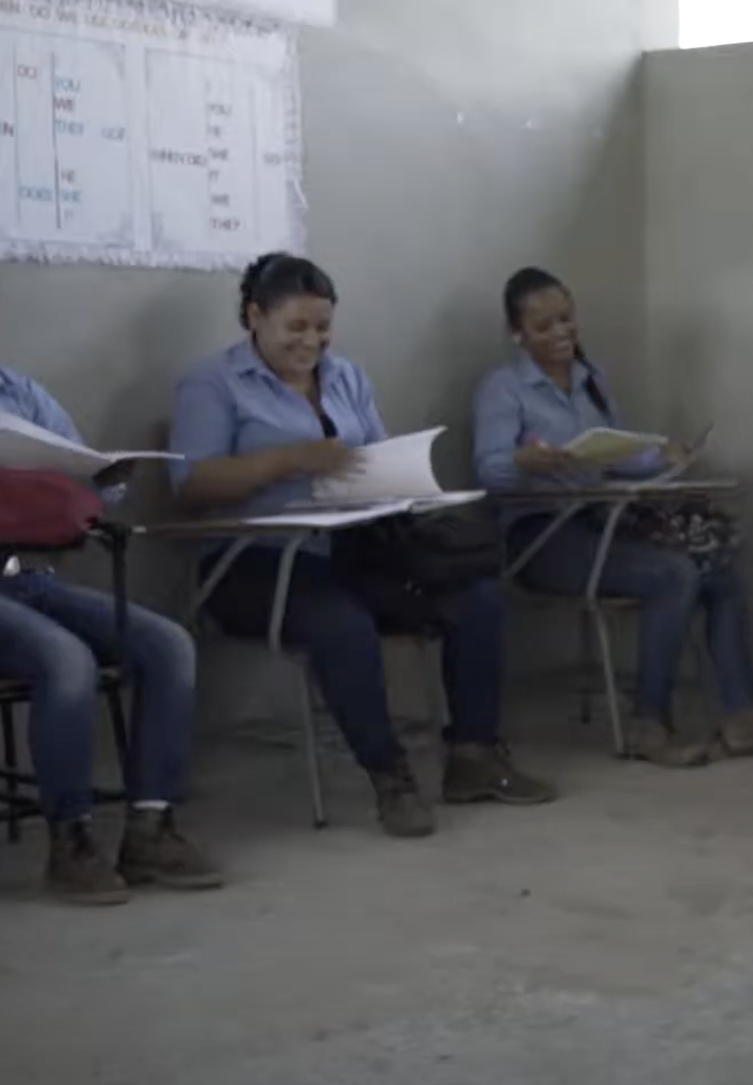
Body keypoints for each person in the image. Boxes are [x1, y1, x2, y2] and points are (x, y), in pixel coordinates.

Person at [170, 252, 557, 839]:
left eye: (322, 327)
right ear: (254, 316)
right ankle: (390, 777)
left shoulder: (345, 376)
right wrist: (285, 460)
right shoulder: (213, 382)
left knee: (475, 598)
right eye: (295, 327)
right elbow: (189, 484)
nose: (312, 342)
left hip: (353, 548)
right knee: (342, 624)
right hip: (255, 564)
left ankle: (473, 756)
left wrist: (400, 485)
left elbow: (376, 458)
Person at [0, 244, 218, 904]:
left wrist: (101, 476)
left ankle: (150, 828)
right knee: (65, 660)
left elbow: (82, 483)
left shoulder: (19, 392)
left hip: (24, 580)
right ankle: (72, 840)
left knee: (167, 644)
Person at [473, 266, 753, 766]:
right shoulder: (502, 389)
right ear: (517, 334)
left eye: (566, 319)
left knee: (719, 571)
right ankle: (648, 723)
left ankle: (743, 713)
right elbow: (488, 471)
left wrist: (663, 454)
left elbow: (615, 453)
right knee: (672, 575)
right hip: (543, 539)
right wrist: (524, 461)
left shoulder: (592, 379)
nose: (562, 332)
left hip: (603, 522)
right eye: (544, 326)